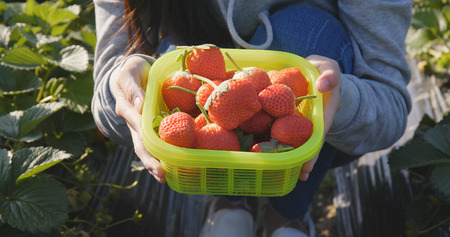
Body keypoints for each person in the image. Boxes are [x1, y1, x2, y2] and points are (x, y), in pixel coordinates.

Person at [92, 0, 413, 236]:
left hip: (314, 134)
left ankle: (289, 215)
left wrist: (336, 99)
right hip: (209, 109)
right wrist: (130, 88)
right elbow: (105, 99)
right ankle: (230, 201)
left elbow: (392, 105)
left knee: (305, 30)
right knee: (173, 61)